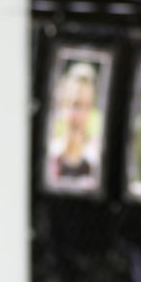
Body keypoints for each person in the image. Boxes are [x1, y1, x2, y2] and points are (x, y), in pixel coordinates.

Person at [46, 61, 100, 189]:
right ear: (62, 105)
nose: (80, 116)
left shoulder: (95, 166)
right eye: (76, 105)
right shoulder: (49, 159)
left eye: (87, 107)